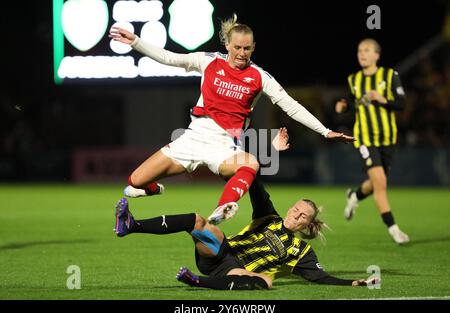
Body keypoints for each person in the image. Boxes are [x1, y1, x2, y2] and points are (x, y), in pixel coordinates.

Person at [109, 14, 354, 225]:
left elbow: (291, 106)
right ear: (227, 44)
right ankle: (154, 189)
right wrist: (136, 42)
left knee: (250, 164)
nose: (241, 53)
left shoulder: (260, 77)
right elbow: (170, 58)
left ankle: (224, 207)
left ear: (254, 47)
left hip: (224, 146)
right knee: (134, 182)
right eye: (237, 47)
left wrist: (325, 131)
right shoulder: (208, 61)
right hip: (192, 139)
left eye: (247, 48)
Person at [113, 129, 377, 290]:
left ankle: (195, 281)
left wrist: (353, 282)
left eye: (302, 216)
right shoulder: (269, 216)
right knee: (198, 221)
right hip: (219, 253)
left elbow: (320, 278)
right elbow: (253, 180)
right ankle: (131, 226)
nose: (296, 214)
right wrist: (273, 150)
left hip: (235, 271)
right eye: (296, 208)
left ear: (307, 225)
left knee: (266, 281)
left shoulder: (302, 252)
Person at [335, 38, 409, 244]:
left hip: (388, 138)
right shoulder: (354, 79)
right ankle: (393, 228)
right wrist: (342, 107)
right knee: (381, 184)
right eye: (359, 50)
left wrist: (383, 99)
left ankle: (354, 197)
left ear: (377, 55)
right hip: (365, 138)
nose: (362, 54)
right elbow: (350, 102)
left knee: (377, 182)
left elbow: (402, 104)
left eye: (367, 50)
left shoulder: (390, 75)